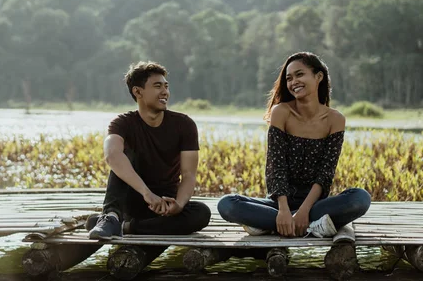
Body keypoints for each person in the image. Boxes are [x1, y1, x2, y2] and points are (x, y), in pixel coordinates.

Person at [217, 52, 371, 240]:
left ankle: (274, 224)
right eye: (289, 78)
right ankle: (305, 226)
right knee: (227, 204)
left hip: (315, 205)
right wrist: (283, 210)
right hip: (279, 204)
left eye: (300, 75)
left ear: (318, 77)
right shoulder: (281, 112)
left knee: (360, 198)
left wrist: (304, 211)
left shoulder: (335, 119)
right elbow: (276, 167)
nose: (293, 82)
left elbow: (325, 174)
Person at [87, 61, 211, 239]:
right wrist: (147, 194)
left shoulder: (184, 125)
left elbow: (189, 174)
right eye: (157, 86)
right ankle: (111, 217)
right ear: (138, 91)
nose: (165, 92)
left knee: (201, 213)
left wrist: (179, 204)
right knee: (121, 157)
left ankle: (126, 227)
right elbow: (111, 155)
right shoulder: (122, 123)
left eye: (166, 86)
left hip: (164, 204)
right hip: (133, 200)